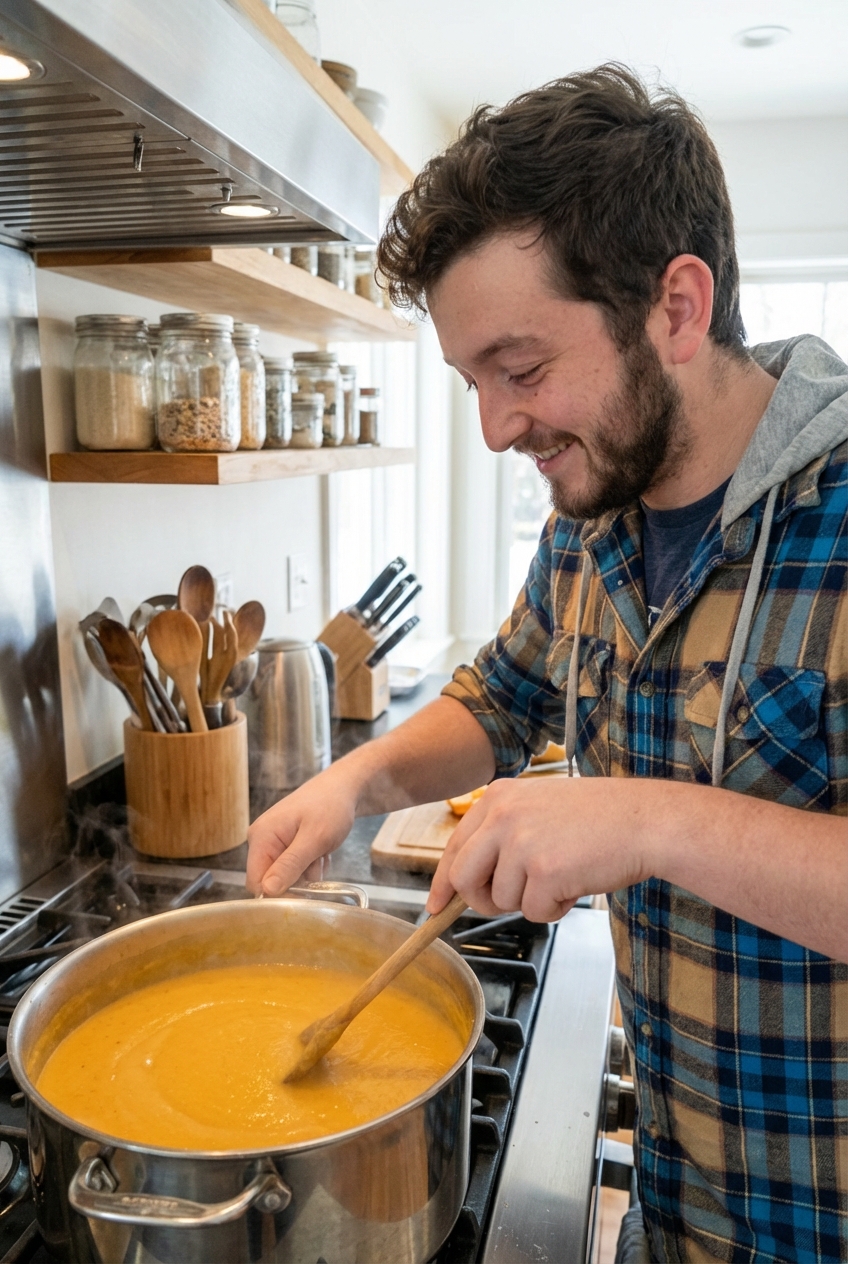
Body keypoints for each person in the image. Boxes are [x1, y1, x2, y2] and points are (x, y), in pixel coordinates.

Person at [248, 66, 847, 1263]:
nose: (495, 427)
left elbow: (642, 820)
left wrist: (642, 820)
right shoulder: (594, 509)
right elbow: (505, 689)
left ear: (676, 306)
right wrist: (355, 783)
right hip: (677, 1217)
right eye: (473, 382)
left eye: (519, 371)